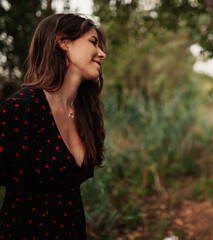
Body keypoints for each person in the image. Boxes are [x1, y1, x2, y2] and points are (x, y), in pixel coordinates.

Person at [0, 13, 106, 239]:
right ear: (64, 42)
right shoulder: (24, 107)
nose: (101, 53)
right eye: (93, 42)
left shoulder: (85, 112)